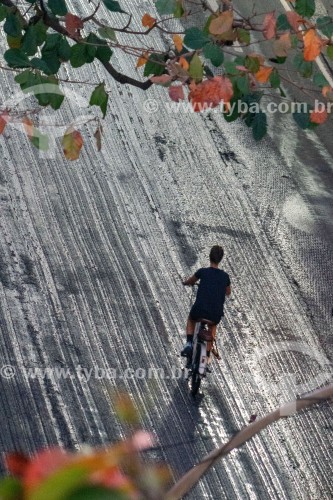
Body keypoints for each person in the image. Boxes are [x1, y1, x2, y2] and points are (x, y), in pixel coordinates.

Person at [181, 245, 231, 358]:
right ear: (221, 259)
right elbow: (228, 292)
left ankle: (189, 343)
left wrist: (186, 283)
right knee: (212, 327)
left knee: (191, 319)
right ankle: (207, 356)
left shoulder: (202, 272)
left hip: (199, 310)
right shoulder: (225, 277)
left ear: (209, 257)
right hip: (215, 314)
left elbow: (191, 281)